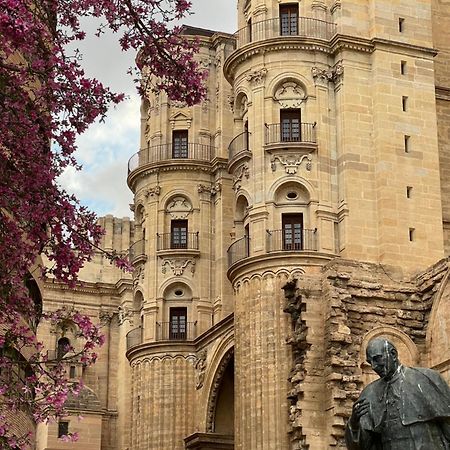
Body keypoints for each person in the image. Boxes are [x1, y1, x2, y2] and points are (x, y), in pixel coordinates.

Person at [345, 337, 450, 449]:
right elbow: (361, 446)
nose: (374, 367)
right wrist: (354, 424)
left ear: (393, 354)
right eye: (370, 362)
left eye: (377, 359)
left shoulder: (426, 378)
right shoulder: (369, 394)